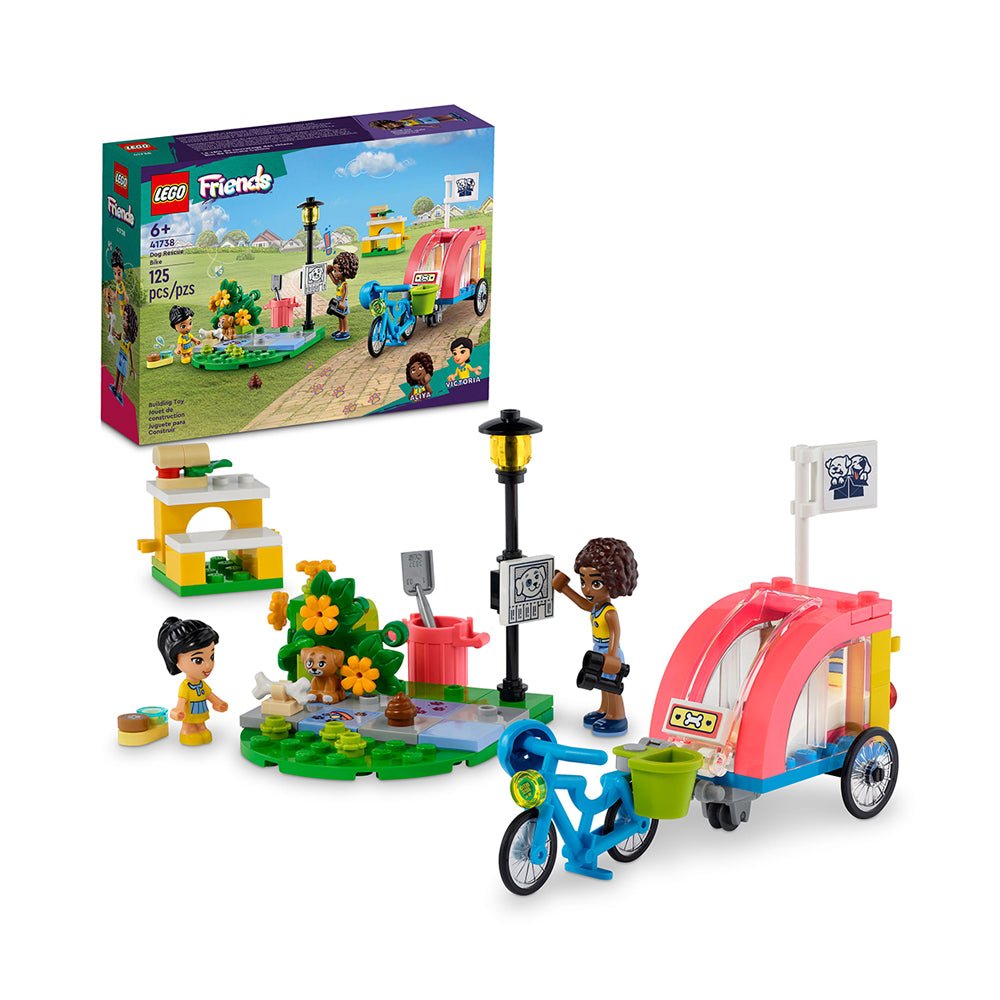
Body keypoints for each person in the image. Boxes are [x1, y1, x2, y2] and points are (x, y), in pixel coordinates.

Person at [552, 538, 638, 735]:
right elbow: (584, 604)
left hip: (609, 650)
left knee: (612, 685)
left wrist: (612, 655)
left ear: (612, 583)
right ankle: (604, 710)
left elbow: (616, 632)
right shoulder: (597, 607)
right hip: (598, 648)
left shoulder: (609, 612)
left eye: (596, 583)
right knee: (602, 682)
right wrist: (564, 588)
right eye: (583, 582)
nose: (587, 590)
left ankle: (617, 716)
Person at [159, 617, 227, 746]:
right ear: (176, 660)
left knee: (202, 727)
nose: (208, 665)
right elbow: (181, 702)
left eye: (211, 657)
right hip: (189, 716)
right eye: (198, 660)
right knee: (190, 727)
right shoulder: (185, 687)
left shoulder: (202, 684)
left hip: (201, 713)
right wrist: (177, 711)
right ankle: (187, 731)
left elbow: (209, 695)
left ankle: (201, 728)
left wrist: (218, 703)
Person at [325, 251, 360, 341]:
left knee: (343, 316)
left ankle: (345, 331)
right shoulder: (339, 282)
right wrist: (329, 273)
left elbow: (345, 293)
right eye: (335, 271)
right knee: (339, 316)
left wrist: (343, 302)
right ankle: (340, 329)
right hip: (338, 300)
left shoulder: (344, 284)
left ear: (345, 271)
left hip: (342, 302)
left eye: (338, 271)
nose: (336, 274)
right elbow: (335, 281)